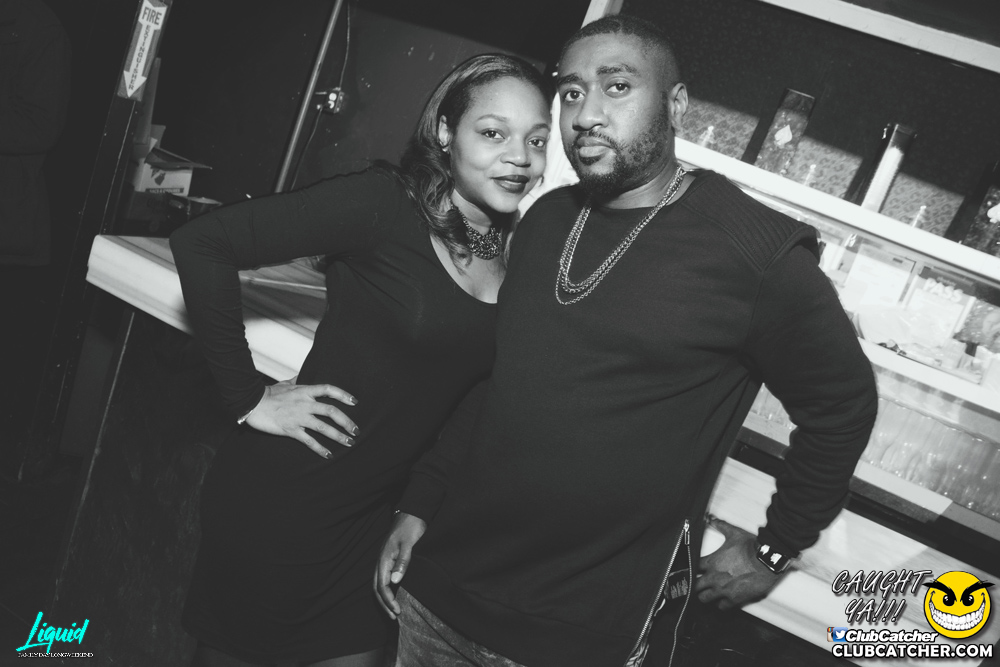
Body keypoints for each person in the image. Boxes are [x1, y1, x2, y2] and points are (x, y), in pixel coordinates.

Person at [375, 14, 878, 667]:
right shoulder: (544, 219)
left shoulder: (753, 250)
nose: (586, 114)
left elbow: (842, 405)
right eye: (571, 92)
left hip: (572, 635)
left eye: (616, 87)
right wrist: (420, 501)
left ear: (676, 104)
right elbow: (493, 381)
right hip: (438, 594)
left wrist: (773, 549)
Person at [170, 53, 551, 667]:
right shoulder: (384, 204)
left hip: (371, 522)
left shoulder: (516, 250)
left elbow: (474, 392)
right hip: (285, 502)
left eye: (536, 140)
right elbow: (202, 242)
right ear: (445, 132)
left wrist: (416, 507)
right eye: (493, 133)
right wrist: (247, 397)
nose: (520, 158)